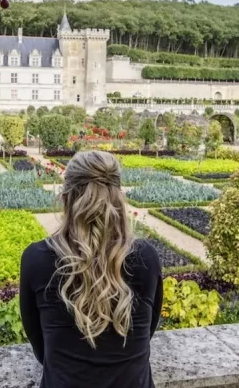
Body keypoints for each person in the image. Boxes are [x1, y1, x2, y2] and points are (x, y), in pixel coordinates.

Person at [20, 150, 163, 388]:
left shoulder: (36, 259)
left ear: (65, 198)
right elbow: (146, 333)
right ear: (119, 198)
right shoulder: (146, 257)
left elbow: (41, 348)